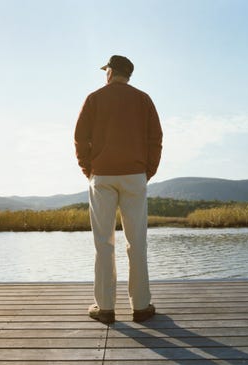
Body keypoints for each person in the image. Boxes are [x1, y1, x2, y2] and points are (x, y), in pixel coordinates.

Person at [74, 55, 162, 323]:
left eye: (106, 70)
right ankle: (141, 306)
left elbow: (80, 138)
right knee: (137, 242)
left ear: (110, 72)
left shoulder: (94, 98)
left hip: (102, 176)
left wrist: (87, 170)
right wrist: (148, 171)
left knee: (104, 243)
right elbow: (155, 138)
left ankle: (106, 308)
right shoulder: (143, 99)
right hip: (135, 175)